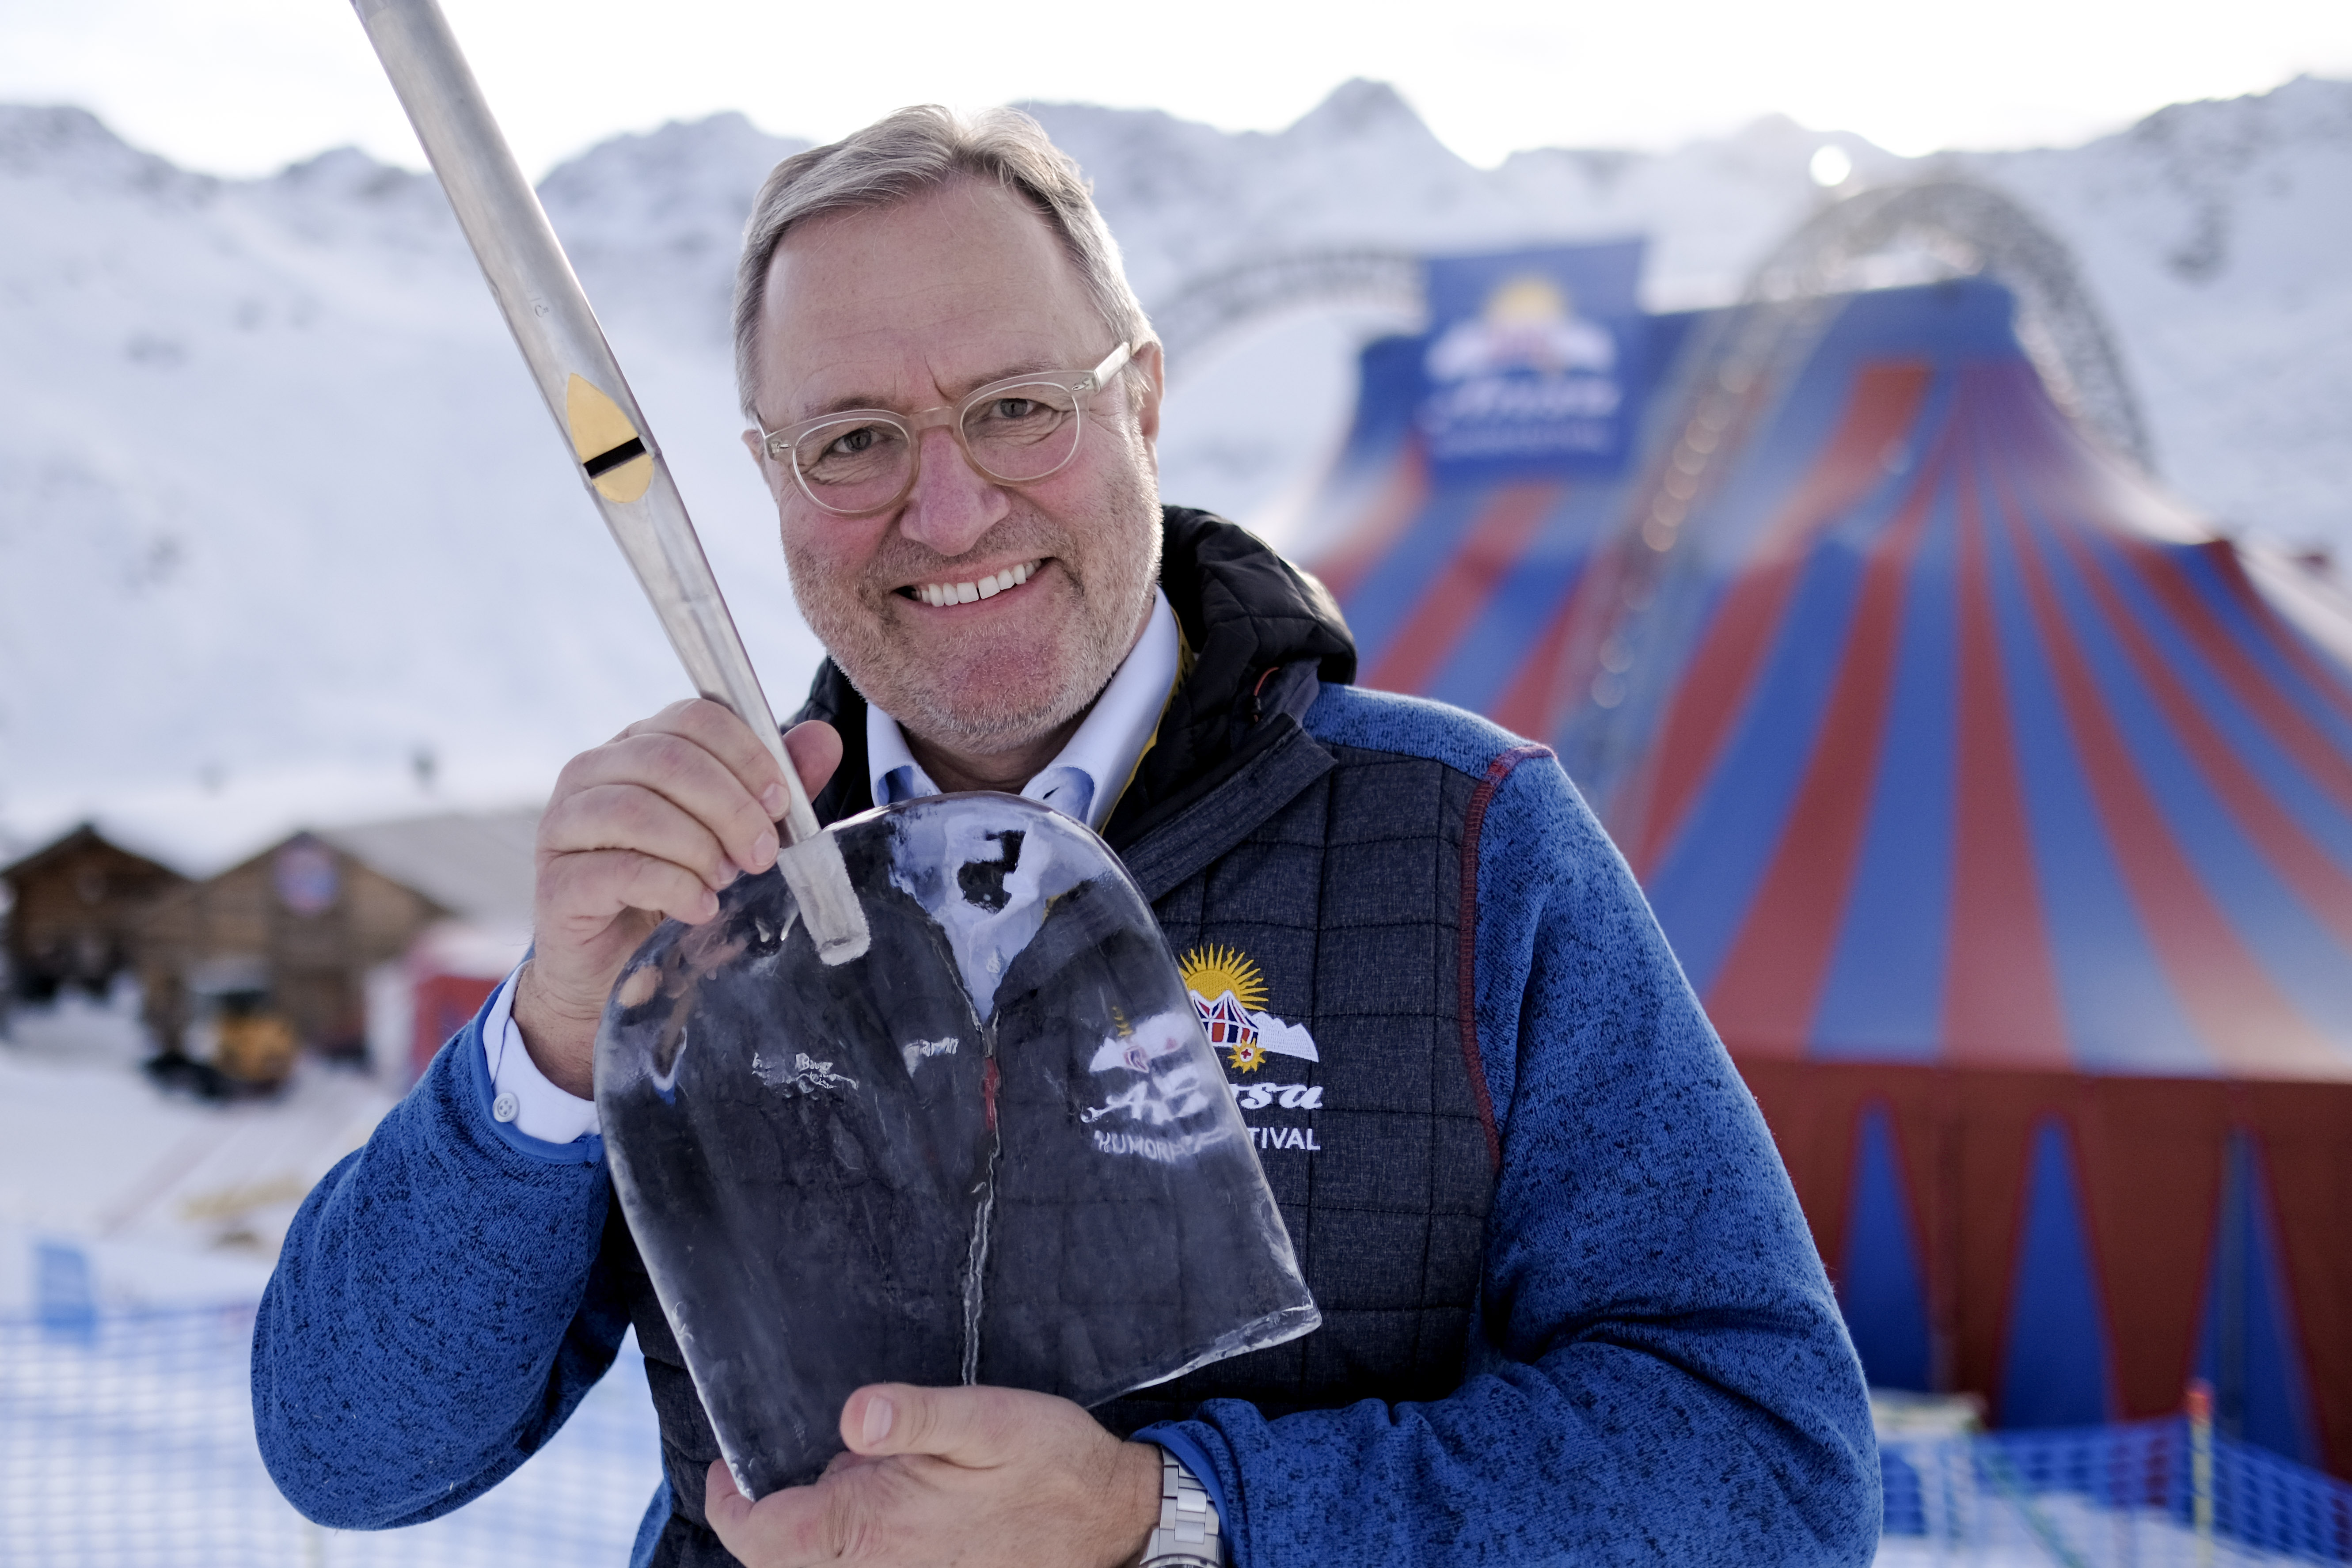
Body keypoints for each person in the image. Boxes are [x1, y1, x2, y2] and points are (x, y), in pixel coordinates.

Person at [253, 105, 1879, 1568]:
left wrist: (1166, 1518)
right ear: (769, 478)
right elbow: (351, 1454)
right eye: (852, 441)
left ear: (1142, 401)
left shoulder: (1460, 844)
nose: (948, 510)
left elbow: (1770, 1473)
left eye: (1017, 408)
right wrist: (548, 1040)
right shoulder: (702, 899)